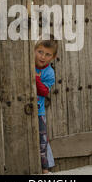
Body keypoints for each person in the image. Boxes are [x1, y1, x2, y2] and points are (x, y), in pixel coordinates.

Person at [34, 37, 57, 174]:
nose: (43, 57)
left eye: (48, 54)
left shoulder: (49, 73)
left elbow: (44, 91)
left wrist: (35, 78)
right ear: (34, 51)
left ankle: (45, 169)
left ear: (53, 57)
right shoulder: (27, 63)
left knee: (42, 142)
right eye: (40, 52)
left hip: (39, 112)